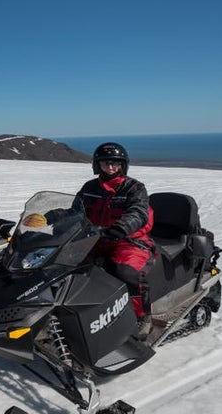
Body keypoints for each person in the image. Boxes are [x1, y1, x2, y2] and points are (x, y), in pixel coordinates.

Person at [53, 142, 154, 338]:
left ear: (122, 165)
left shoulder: (134, 188)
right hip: (95, 239)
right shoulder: (90, 187)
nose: (110, 167)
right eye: (105, 163)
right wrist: (56, 215)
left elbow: (138, 212)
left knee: (125, 272)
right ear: (97, 165)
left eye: (115, 163)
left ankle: (143, 317)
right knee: (64, 264)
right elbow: (77, 211)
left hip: (128, 241)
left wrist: (122, 227)